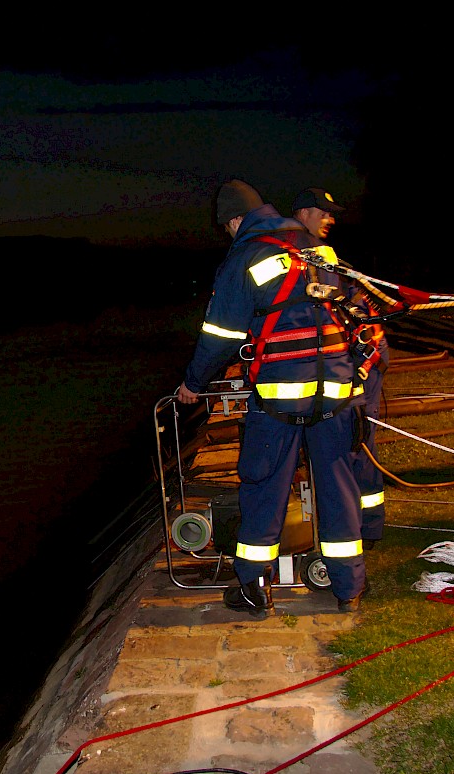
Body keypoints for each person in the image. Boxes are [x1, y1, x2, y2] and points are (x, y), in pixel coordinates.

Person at [176, 178, 369, 616]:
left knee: (264, 485)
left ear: (236, 220)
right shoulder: (316, 249)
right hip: (336, 391)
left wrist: (193, 384)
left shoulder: (244, 257)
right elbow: (353, 306)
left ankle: (253, 589)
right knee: (338, 487)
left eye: (227, 226)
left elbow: (218, 338)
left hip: (281, 396)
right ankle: (349, 588)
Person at [292, 187, 389, 551]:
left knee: (358, 442)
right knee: (345, 443)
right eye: (325, 212)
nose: (331, 219)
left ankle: (366, 527)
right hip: (343, 360)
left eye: (333, 214)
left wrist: (359, 369)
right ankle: (355, 524)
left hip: (360, 360)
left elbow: (360, 321)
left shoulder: (328, 263)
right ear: (304, 212)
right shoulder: (305, 256)